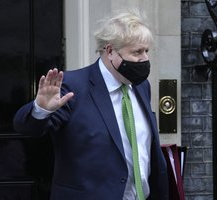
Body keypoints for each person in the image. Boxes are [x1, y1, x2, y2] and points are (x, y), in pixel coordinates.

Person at [14, 10, 169, 200]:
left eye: (146, 51)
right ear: (110, 51)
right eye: (137, 52)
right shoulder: (73, 86)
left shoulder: (141, 86)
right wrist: (41, 109)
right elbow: (28, 129)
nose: (145, 59)